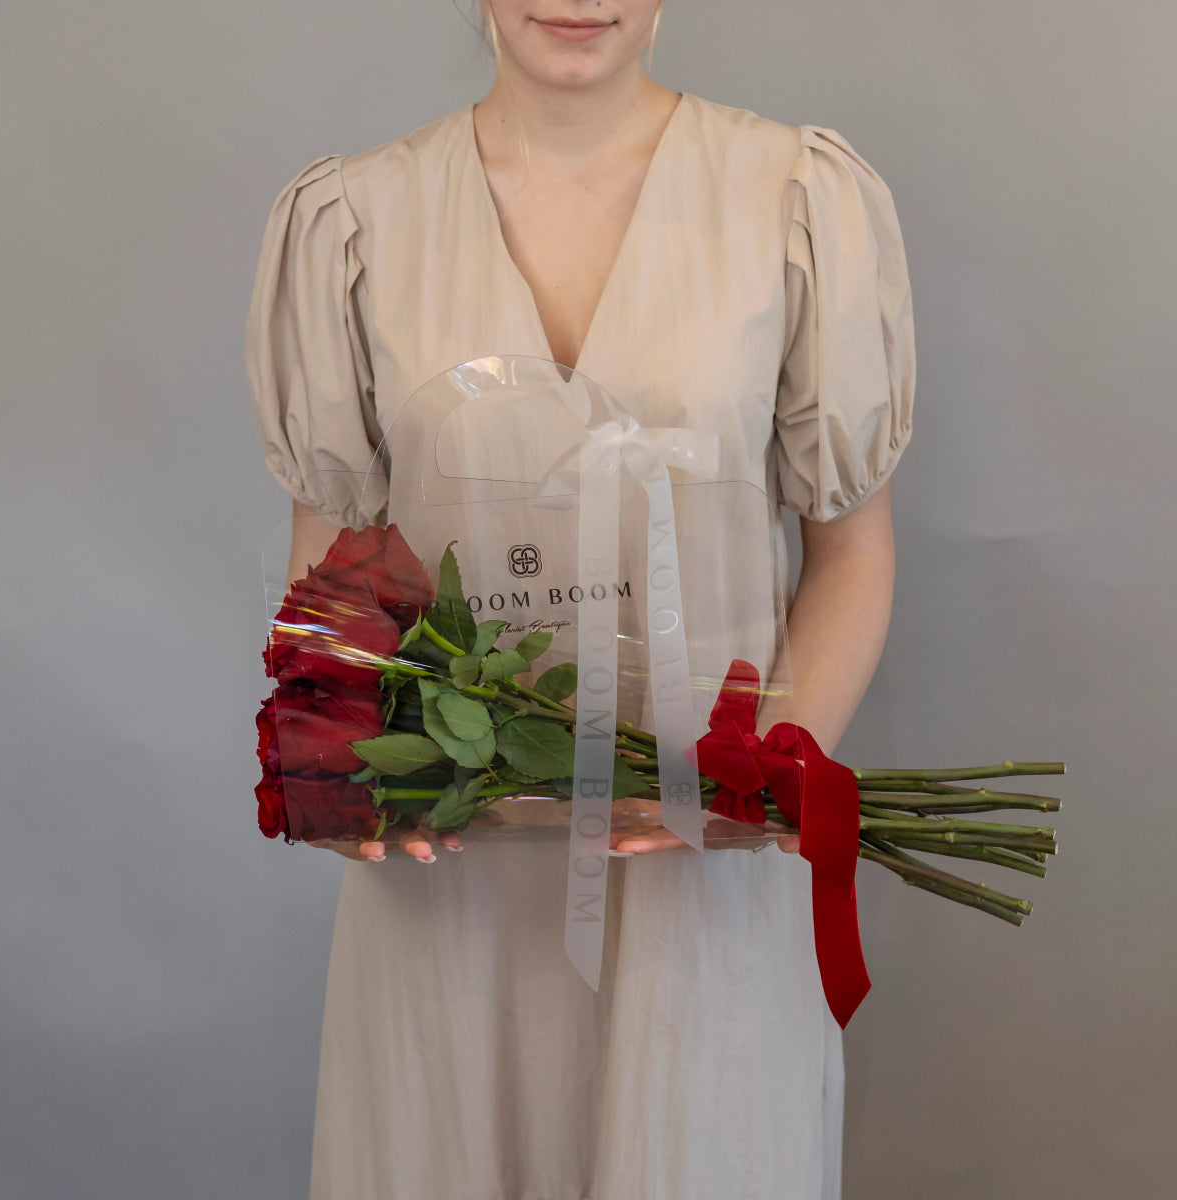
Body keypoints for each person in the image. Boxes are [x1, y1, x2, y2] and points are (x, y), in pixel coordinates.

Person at [244, 1, 914, 1195]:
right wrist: (351, 770)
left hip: (705, 863)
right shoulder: (356, 221)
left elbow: (851, 550)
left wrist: (764, 759)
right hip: (451, 882)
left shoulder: (794, 200)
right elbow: (332, 555)